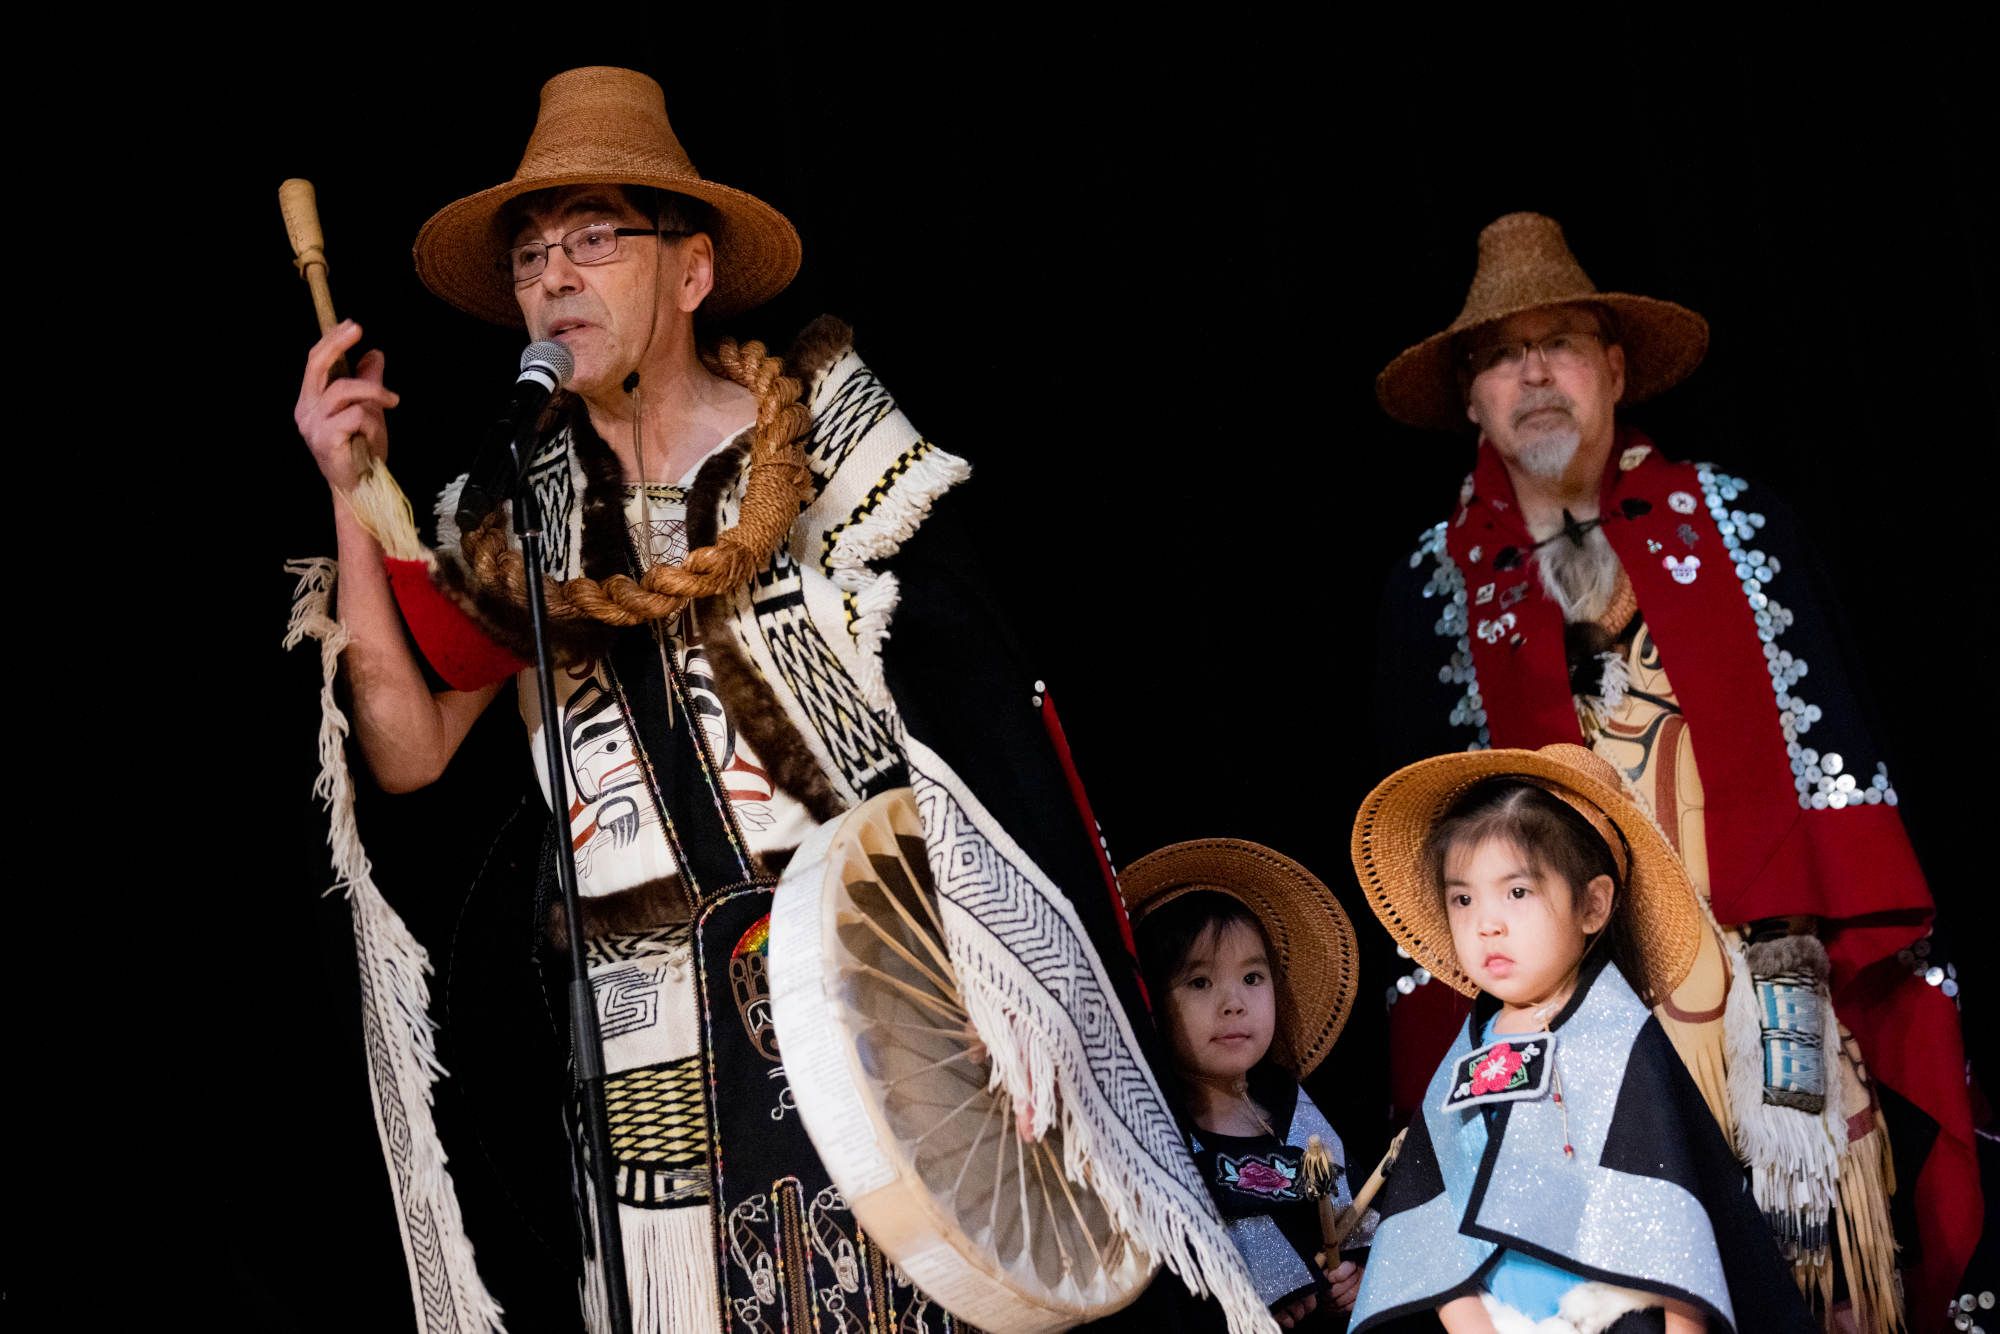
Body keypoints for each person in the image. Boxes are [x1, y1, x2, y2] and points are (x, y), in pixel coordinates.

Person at [289, 65, 1269, 1334]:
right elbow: (408, 750)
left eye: (593, 239)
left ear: (691, 270)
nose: (554, 278)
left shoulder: (833, 451)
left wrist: (1006, 986)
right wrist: (349, 488)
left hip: (873, 995)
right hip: (645, 1038)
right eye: (531, 257)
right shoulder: (517, 514)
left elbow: (978, 736)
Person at [1367, 212, 1978, 1326]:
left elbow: (1830, 765)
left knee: (1827, 1286)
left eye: (1558, 342)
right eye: (1500, 354)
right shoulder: (1432, 586)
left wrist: (1801, 989)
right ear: (1470, 399)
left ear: (1612, 368)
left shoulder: (1736, 524)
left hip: (1762, 988)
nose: (1532, 372)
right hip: (1559, 1024)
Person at [1346, 743, 1814, 1334]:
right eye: (1462, 898)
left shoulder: (1620, 1045)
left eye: (1517, 892)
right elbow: (1434, 1237)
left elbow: (1679, 1243)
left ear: (1592, 905)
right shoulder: (1467, 1053)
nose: (1486, 923)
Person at [1124, 840, 1370, 1330]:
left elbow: (1353, 1219)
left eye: (1253, 978)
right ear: (1150, 1004)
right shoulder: (1151, 1133)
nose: (1234, 1003)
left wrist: (1355, 1278)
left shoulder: (1292, 1106)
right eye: (1200, 982)